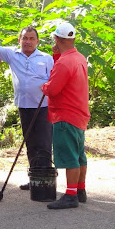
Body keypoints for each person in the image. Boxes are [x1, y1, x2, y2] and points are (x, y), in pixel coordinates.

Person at [0, 26, 54, 190]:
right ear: (19, 40)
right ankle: (34, 178)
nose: (28, 42)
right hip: (24, 106)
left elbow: (54, 81)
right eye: (25, 38)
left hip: (43, 106)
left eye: (31, 38)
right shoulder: (12, 54)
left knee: (44, 143)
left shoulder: (46, 58)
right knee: (30, 143)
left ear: (37, 41)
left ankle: (45, 181)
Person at [41, 22, 90, 210]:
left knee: (69, 156)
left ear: (57, 39)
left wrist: (44, 87)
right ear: (73, 39)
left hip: (65, 113)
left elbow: (53, 89)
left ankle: (70, 195)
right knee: (79, 156)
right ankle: (80, 190)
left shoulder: (64, 62)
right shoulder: (78, 57)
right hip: (79, 112)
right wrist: (56, 54)